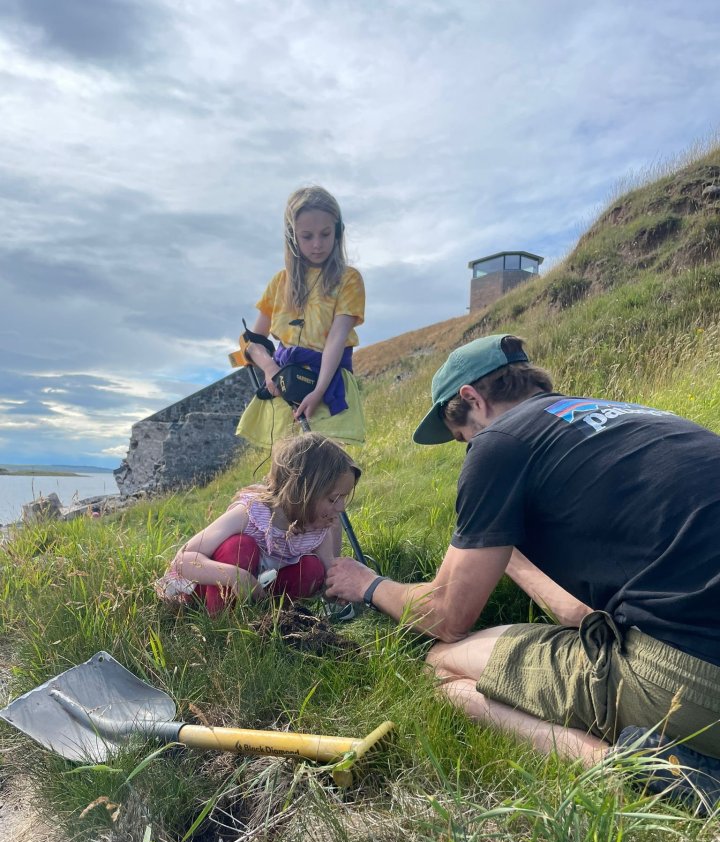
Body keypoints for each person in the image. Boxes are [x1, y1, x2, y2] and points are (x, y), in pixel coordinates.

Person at [325, 333, 720, 807]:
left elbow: (446, 616)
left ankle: (635, 770)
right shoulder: (635, 417)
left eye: (460, 436)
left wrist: (367, 584)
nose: (467, 447)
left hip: (695, 680)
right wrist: (502, 548)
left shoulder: (499, 444)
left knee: (440, 668)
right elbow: (582, 612)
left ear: (472, 399)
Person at [155, 433, 360, 615]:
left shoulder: (319, 525)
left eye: (343, 498)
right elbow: (182, 561)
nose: (341, 507)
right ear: (302, 492)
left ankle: (270, 618)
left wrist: (339, 588)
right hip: (209, 588)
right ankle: (222, 625)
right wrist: (237, 577)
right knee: (239, 546)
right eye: (333, 498)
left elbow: (327, 572)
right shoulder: (251, 513)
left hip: (261, 592)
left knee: (311, 568)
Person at [231, 185, 366, 448]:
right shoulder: (279, 283)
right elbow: (252, 341)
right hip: (285, 386)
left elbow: (336, 341)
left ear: (338, 233)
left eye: (326, 234)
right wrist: (270, 368)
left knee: (328, 473)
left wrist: (318, 392)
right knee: (287, 473)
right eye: (307, 236)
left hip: (328, 385)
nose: (317, 244)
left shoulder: (349, 280)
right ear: (292, 237)